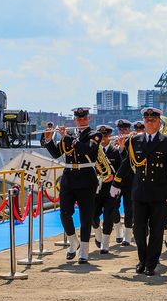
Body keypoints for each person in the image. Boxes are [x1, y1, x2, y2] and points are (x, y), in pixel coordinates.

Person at [110, 107, 167, 276]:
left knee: (156, 230)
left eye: (153, 120)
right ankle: (142, 259)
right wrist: (116, 183)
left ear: (158, 122)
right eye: (147, 120)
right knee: (138, 230)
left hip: (159, 192)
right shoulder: (135, 141)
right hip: (139, 191)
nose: (149, 122)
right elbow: (127, 163)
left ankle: (151, 263)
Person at [42, 107, 101, 264]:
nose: (81, 121)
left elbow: (87, 149)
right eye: (78, 118)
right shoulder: (70, 135)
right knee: (64, 213)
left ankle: (84, 250)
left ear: (88, 119)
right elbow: (56, 153)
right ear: (75, 120)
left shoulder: (94, 134)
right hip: (68, 178)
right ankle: (73, 241)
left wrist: (69, 139)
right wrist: (49, 139)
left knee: (85, 217)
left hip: (87, 178)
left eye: (84, 118)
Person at [92, 125, 121, 253]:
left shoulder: (115, 152)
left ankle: (105, 243)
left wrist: (117, 184)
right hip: (95, 188)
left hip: (110, 189)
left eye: (105, 136)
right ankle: (97, 232)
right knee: (93, 215)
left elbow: (120, 169)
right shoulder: (92, 150)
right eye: (101, 136)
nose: (102, 139)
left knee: (109, 216)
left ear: (109, 136)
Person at [114, 119, 134, 246]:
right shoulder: (114, 144)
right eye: (120, 129)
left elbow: (129, 161)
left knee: (129, 209)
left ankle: (127, 235)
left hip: (130, 181)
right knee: (112, 208)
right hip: (116, 182)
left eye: (125, 129)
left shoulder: (133, 142)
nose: (122, 132)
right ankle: (118, 230)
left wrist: (122, 147)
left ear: (129, 130)